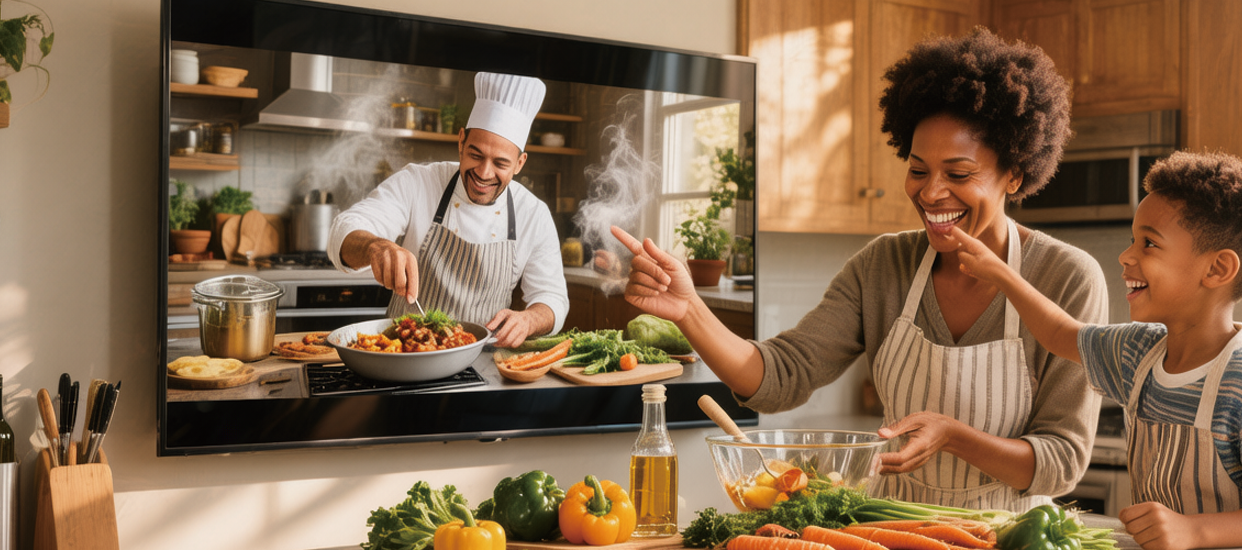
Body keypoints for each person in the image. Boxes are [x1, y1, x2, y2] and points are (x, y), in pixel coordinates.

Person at [610, 28, 1107, 511]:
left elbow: (1062, 461)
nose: (931, 192)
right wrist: (689, 310)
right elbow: (782, 375)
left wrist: (954, 437)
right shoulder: (883, 266)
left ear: (1014, 174)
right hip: (891, 532)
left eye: (958, 173)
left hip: (1012, 535)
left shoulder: (1066, 277)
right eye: (917, 170)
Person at [951, 151, 1242, 550]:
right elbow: (1059, 333)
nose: (1126, 256)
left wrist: (1193, 531)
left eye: (1149, 244)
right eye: (1132, 240)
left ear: (1216, 269)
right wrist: (1001, 272)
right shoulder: (1139, 352)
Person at [328, 72, 567, 348]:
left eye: (500, 163)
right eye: (475, 155)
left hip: (483, 360)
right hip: (403, 353)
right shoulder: (418, 182)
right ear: (461, 141)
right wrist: (375, 246)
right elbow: (344, 230)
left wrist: (529, 320)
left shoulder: (533, 213)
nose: (484, 173)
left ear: (519, 163)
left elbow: (552, 299)